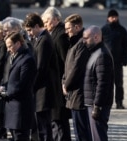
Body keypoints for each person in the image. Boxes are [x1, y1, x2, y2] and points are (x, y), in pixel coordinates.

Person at [24, 13, 61, 141]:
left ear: (36, 26)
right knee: (41, 125)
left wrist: (31, 87)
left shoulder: (44, 40)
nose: (29, 34)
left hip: (44, 90)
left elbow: (41, 67)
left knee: (44, 126)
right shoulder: (39, 39)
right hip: (41, 89)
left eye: (29, 30)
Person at [0, 31, 37, 141]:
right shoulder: (13, 56)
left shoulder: (27, 59)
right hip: (12, 105)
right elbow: (9, 77)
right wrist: (3, 87)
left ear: (18, 43)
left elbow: (23, 83)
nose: (8, 49)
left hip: (21, 107)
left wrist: (7, 93)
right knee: (15, 135)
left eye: (10, 46)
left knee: (20, 136)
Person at [41, 6, 71, 141]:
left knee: (59, 120)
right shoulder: (52, 33)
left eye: (46, 21)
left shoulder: (60, 36)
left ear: (55, 19)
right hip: (53, 84)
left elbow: (66, 62)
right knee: (56, 120)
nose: (45, 24)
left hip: (59, 84)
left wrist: (64, 82)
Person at [62, 13, 92, 141]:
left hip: (79, 93)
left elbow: (77, 68)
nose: (67, 31)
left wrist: (66, 85)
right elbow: (67, 66)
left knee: (82, 131)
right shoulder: (73, 42)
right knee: (78, 129)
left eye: (69, 28)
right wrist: (63, 81)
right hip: (73, 93)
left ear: (77, 27)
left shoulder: (82, 43)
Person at [82, 25, 114, 141]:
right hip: (92, 103)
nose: (83, 41)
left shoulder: (102, 55)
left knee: (98, 137)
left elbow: (103, 83)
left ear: (96, 37)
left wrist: (97, 105)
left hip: (98, 105)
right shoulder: (95, 53)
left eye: (86, 38)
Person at [101, 9, 127, 109]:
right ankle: (105, 102)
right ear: (108, 18)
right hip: (105, 62)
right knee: (106, 83)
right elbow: (98, 45)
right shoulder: (103, 30)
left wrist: (125, 59)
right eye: (111, 17)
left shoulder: (122, 30)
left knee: (119, 83)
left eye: (115, 17)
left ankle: (119, 102)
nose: (113, 19)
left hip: (118, 62)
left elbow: (126, 45)